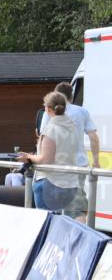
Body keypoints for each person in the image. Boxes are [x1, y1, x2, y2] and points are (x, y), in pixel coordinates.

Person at [38, 82, 101, 220]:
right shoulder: (82, 111)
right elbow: (93, 137)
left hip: (54, 167)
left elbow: (43, 136)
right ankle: (78, 239)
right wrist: (96, 161)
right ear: (71, 97)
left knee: (52, 210)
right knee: (75, 209)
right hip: (77, 167)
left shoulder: (49, 112)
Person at [18, 92, 80, 213]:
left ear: (48, 109)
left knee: (46, 224)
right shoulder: (73, 128)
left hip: (48, 182)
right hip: (69, 182)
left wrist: (28, 156)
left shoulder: (51, 129)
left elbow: (45, 159)